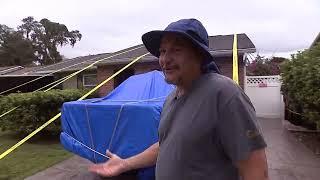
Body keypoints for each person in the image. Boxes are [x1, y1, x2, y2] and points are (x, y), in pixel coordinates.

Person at [89, 18, 268, 180]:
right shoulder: (171, 98)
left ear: (199, 54)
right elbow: (165, 146)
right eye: (162, 51)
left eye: (176, 50)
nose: (165, 59)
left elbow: (255, 169)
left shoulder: (224, 94)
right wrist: (124, 164)